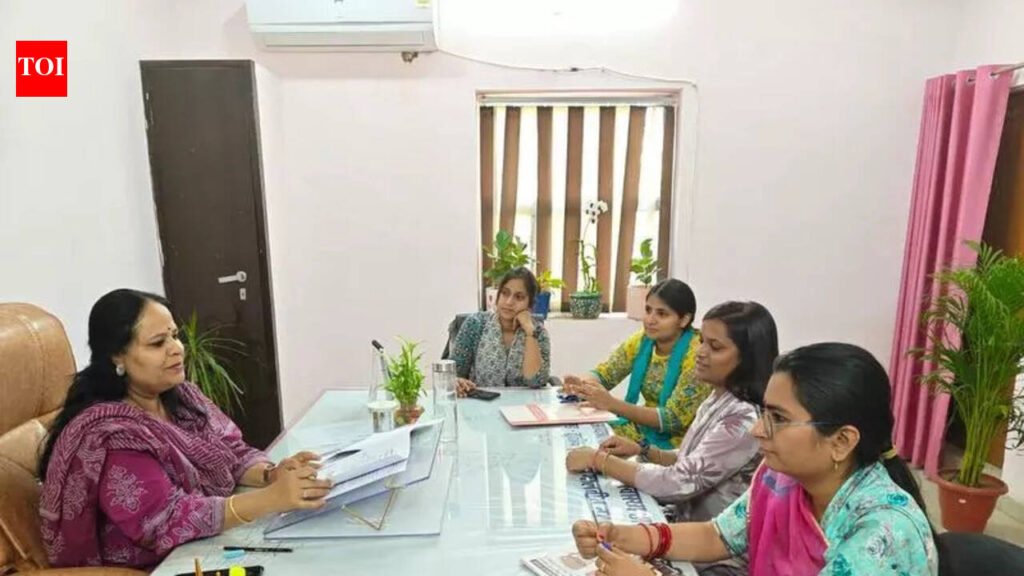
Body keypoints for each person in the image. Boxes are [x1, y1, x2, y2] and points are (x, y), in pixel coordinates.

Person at [571, 342, 938, 576]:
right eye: (764, 413)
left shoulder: (884, 532)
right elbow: (718, 536)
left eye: (778, 418)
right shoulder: (781, 478)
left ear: (841, 441)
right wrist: (624, 536)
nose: (757, 430)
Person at [38, 289, 331, 569]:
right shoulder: (112, 436)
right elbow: (164, 521)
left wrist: (271, 474)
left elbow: (232, 452)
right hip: (155, 566)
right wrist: (269, 499)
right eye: (157, 343)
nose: (177, 349)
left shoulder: (183, 398)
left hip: (204, 545)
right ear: (117, 357)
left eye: (175, 336)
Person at [566, 302, 777, 534]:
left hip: (710, 545)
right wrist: (643, 450)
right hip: (685, 522)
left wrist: (599, 460)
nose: (700, 352)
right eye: (702, 342)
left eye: (715, 347)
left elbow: (679, 481)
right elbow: (693, 457)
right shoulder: (719, 396)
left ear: (747, 359)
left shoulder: (743, 418)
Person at [563, 279, 708, 449]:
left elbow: (673, 420)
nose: (650, 320)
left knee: (597, 448)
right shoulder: (642, 341)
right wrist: (582, 384)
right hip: (644, 429)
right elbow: (606, 373)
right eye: (648, 310)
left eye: (662, 314)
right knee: (581, 435)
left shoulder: (699, 356)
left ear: (684, 320)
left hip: (678, 444)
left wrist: (612, 404)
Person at [449, 267, 551, 394]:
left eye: (519, 297)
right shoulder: (476, 324)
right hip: (481, 403)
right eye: (505, 293)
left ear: (530, 305)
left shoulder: (538, 333)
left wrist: (529, 331)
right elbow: (452, 374)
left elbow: (535, 381)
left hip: (524, 404)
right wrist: (457, 382)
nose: (509, 302)